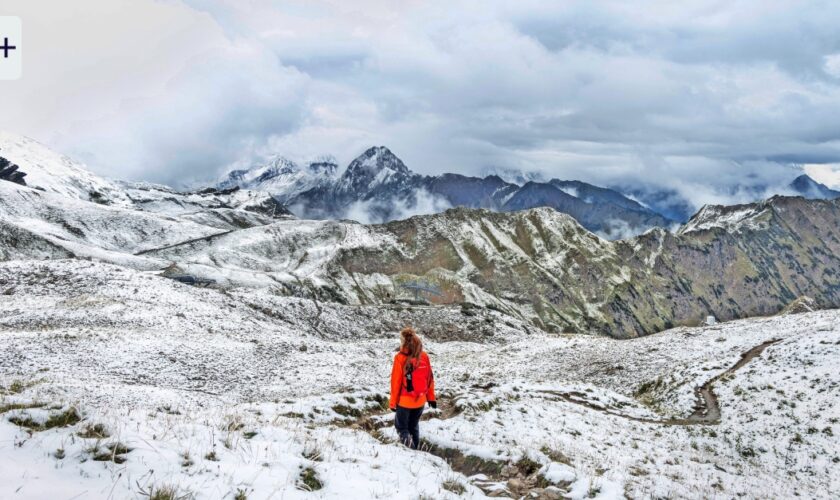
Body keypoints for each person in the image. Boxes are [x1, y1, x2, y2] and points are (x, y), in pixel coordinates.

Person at [389, 326, 436, 449]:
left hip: (405, 401)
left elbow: (396, 382)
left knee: (402, 428)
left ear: (404, 341)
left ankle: (412, 453)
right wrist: (431, 397)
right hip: (420, 400)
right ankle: (416, 450)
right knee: (413, 426)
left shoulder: (400, 358)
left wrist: (393, 403)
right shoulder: (424, 356)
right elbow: (430, 378)